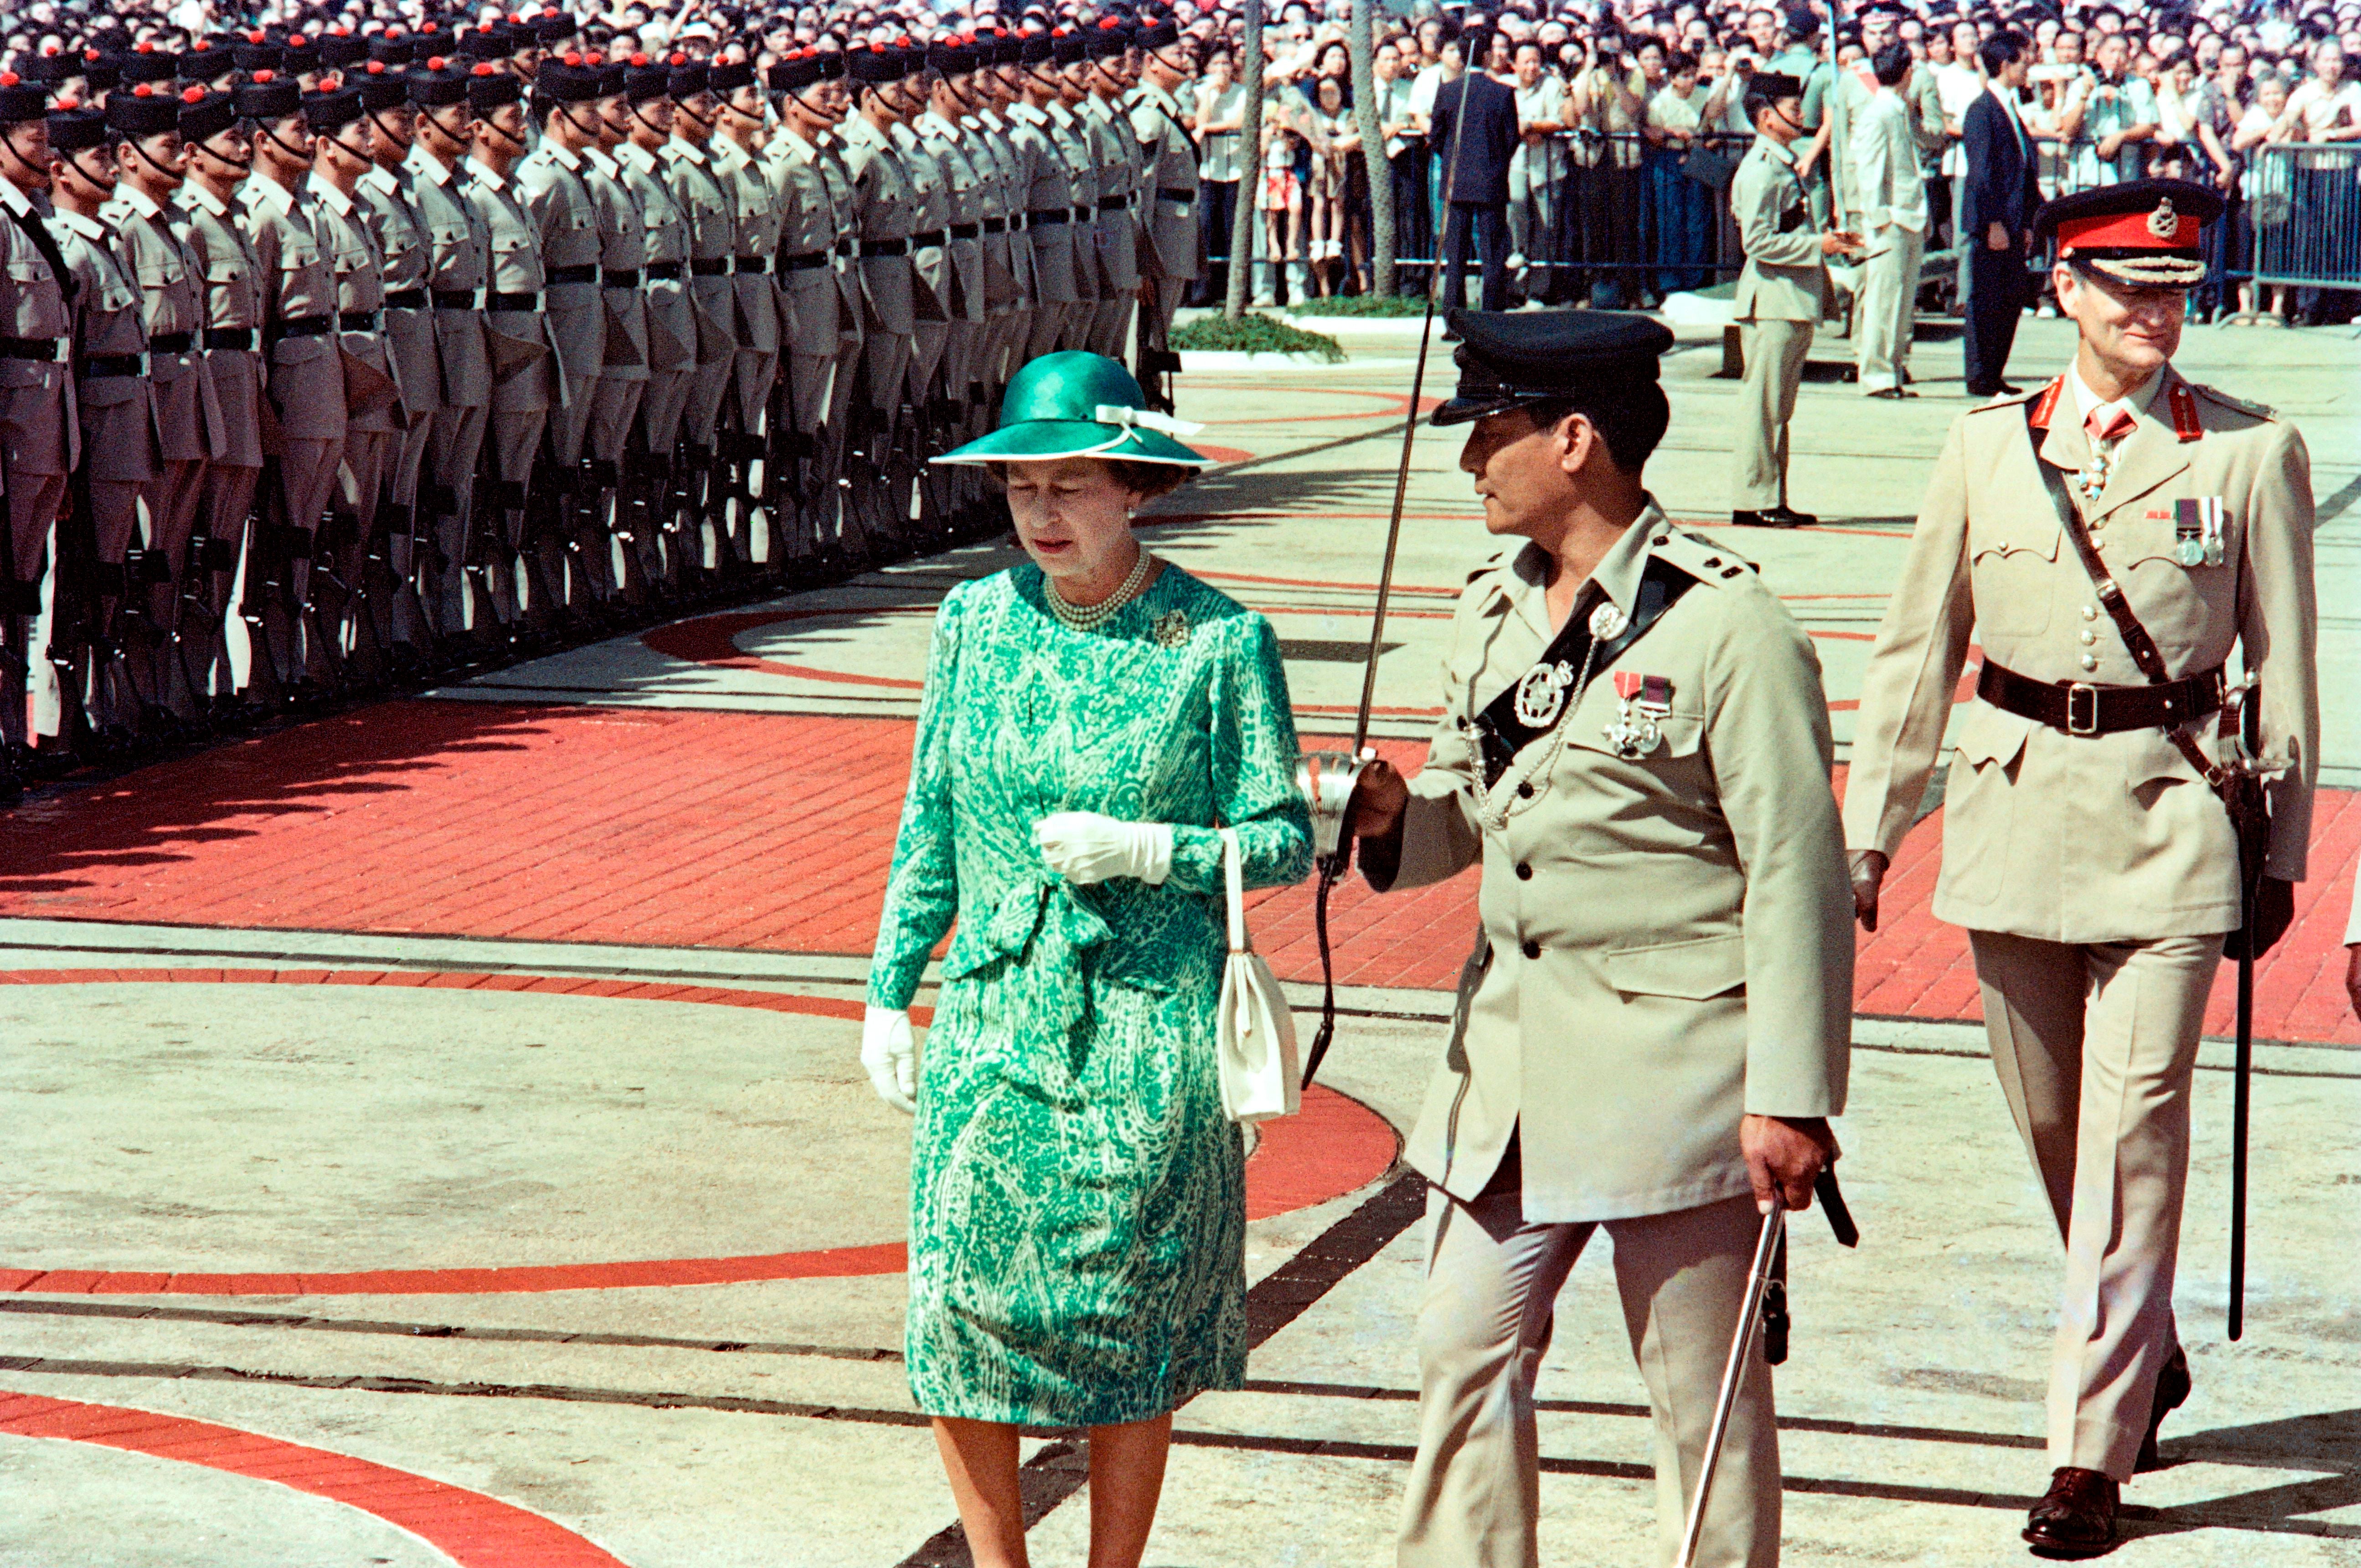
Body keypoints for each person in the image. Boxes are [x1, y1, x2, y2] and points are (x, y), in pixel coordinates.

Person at [1843, 179, 2319, 1557]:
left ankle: (2085, 1450)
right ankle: (2142, 1332)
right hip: (2006, 813)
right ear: (2062, 290)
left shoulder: (2245, 453)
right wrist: (1871, 826)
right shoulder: (1985, 448)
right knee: (2053, 1126)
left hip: (2170, 820)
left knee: (2131, 1136)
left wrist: (2277, 849)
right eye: (2122, 288)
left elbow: (2283, 661)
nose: (2151, 312)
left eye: (2172, 290)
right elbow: (1913, 649)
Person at [1340, 308, 1853, 1568]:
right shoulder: (1490, 609)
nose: (1470, 462)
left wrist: (1789, 1097)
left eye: (1492, 434)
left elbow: (1795, 870)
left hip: (1676, 1073)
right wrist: (1399, 817)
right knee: (1461, 1353)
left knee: (1698, 1404)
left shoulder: (1728, 625)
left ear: (1576, 440)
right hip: (1509, 1070)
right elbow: (1472, 812)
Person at [863, 350, 1310, 1568]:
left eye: (1072, 486)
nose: (1044, 514)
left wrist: (1153, 848)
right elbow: (932, 815)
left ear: (1134, 491)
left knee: (1127, 1315)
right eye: (1021, 490)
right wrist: (889, 986)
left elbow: (1284, 841)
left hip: (1145, 1025)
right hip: (996, 1013)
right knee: (959, 1302)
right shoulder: (973, 623)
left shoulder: (1218, 642)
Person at [1729, 71, 1859, 528]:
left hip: (1788, 299)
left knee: (1777, 409)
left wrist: (1826, 241)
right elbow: (1758, 242)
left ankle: (1770, 495)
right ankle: (1753, 499)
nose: (1800, 114)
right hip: (1772, 301)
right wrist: (1816, 248)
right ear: (1766, 117)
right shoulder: (1762, 169)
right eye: (1791, 107)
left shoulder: (1779, 163)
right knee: (1763, 409)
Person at [1961, 32, 2041, 398]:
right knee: (1986, 299)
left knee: (2009, 299)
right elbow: (1982, 173)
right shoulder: (1982, 111)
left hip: (2012, 222)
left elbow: (2021, 171)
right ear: (2006, 64)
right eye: (2024, 61)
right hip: (1993, 224)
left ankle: (1995, 371)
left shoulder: (2009, 108)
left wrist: (2026, 222)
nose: (2029, 67)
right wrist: (1992, 221)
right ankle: (1980, 374)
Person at [1851, 41, 1927, 397]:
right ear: (1907, 73)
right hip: (1891, 222)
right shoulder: (1878, 113)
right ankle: (1877, 374)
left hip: (1908, 217)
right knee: (1884, 301)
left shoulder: (1898, 109)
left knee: (1901, 302)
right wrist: (1880, 220)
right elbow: (1869, 172)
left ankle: (1893, 369)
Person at [1428, 28, 1519, 315]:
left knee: (1455, 255)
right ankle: (1492, 316)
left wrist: (1457, 161)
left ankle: (1454, 317)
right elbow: (1511, 137)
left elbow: (1437, 136)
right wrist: (1494, 163)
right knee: (1493, 254)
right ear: (1488, 55)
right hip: (1491, 180)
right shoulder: (1503, 93)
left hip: (1457, 182)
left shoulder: (1448, 90)